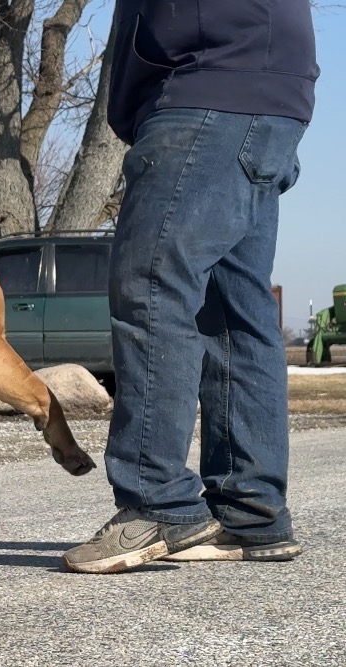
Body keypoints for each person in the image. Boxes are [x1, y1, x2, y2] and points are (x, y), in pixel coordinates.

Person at [62, 0, 320, 574]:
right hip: (268, 96)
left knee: (153, 284)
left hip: (206, 87)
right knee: (233, 310)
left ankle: (157, 501)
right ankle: (251, 511)